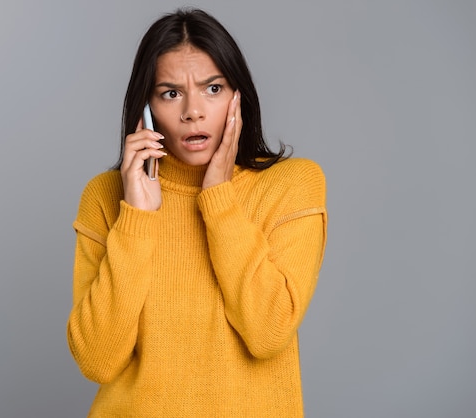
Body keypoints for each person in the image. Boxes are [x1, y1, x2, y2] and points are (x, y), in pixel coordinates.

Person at [67, 8, 327, 417]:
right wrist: (137, 216)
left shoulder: (291, 185)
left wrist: (219, 199)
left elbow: (267, 332)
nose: (193, 111)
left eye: (213, 88)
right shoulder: (106, 196)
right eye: (170, 93)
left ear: (238, 95)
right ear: (145, 107)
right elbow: (98, 359)